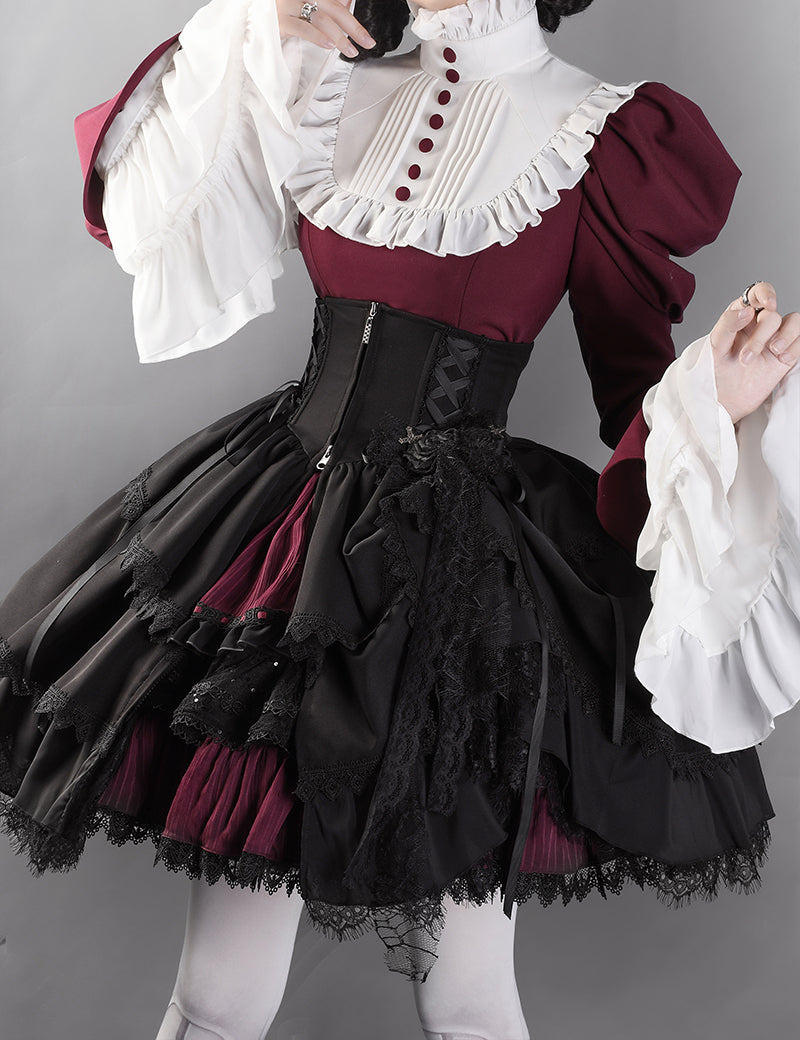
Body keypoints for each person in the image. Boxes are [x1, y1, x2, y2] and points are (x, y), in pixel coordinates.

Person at [1, 1, 798, 1038]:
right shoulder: (323, 79)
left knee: (464, 1000)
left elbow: (633, 398)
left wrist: (713, 404)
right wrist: (255, 32)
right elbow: (146, 197)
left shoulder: (598, 136)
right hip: (279, 546)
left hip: (465, 589)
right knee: (219, 995)